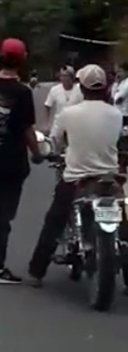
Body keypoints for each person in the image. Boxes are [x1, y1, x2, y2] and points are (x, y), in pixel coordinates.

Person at [28, 64, 122, 287]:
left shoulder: (69, 114)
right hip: (109, 180)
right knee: (124, 224)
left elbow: (54, 143)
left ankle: (37, 271)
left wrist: (48, 153)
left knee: (54, 222)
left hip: (76, 179)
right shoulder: (116, 114)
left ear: (82, 86)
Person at [0, 38, 42, 284]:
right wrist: (37, 153)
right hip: (12, 160)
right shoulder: (22, 92)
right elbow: (26, 128)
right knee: (4, 213)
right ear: (22, 60)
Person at [44, 66, 83, 131]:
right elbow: (47, 106)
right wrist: (48, 124)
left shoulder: (79, 90)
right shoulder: (54, 90)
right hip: (58, 125)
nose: (64, 78)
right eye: (62, 76)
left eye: (67, 76)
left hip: (74, 124)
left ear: (72, 77)